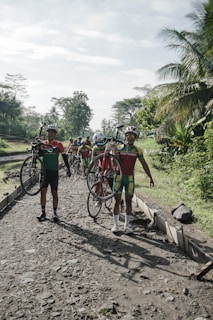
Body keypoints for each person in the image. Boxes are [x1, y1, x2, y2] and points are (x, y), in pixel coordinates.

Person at [111, 126, 154, 234]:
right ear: (125, 137)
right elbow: (114, 163)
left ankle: (127, 226)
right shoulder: (119, 148)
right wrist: (114, 152)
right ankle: (116, 225)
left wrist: (150, 177)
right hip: (118, 177)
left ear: (135, 138)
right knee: (116, 201)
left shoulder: (138, 150)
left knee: (129, 201)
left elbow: (144, 164)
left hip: (129, 178)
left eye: (132, 136)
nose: (130, 137)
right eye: (128, 135)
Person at [37, 124, 71, 222]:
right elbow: (39, 155)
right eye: (49, 132)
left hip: (54, 172)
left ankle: (55, 213)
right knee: (43, 192)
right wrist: (39, 148)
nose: (50, 134)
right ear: (46, 133)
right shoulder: (43, 144)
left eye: (52, 132)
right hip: (44, 172)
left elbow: (64, 157)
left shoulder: (58, 144)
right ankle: (43, 212)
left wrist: (68, 169)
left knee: (54, 193)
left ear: (55, 134)